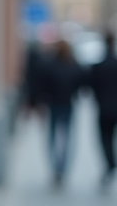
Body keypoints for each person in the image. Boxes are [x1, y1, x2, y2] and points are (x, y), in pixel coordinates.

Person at [41, 38, 84, 187]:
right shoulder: (74, 65)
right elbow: (81, 83)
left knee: (52, 137)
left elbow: (43, 85)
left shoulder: (50, 65)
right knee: (67, 137)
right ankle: (62, 168)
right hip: (68, 104)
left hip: (53, 104)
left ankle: (55, 167)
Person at [89, 32, 117, 187]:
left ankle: (110, 163)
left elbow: (91, 86)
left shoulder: (98, 66)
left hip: (103, 108)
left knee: (105, 139)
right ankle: (111, 163)